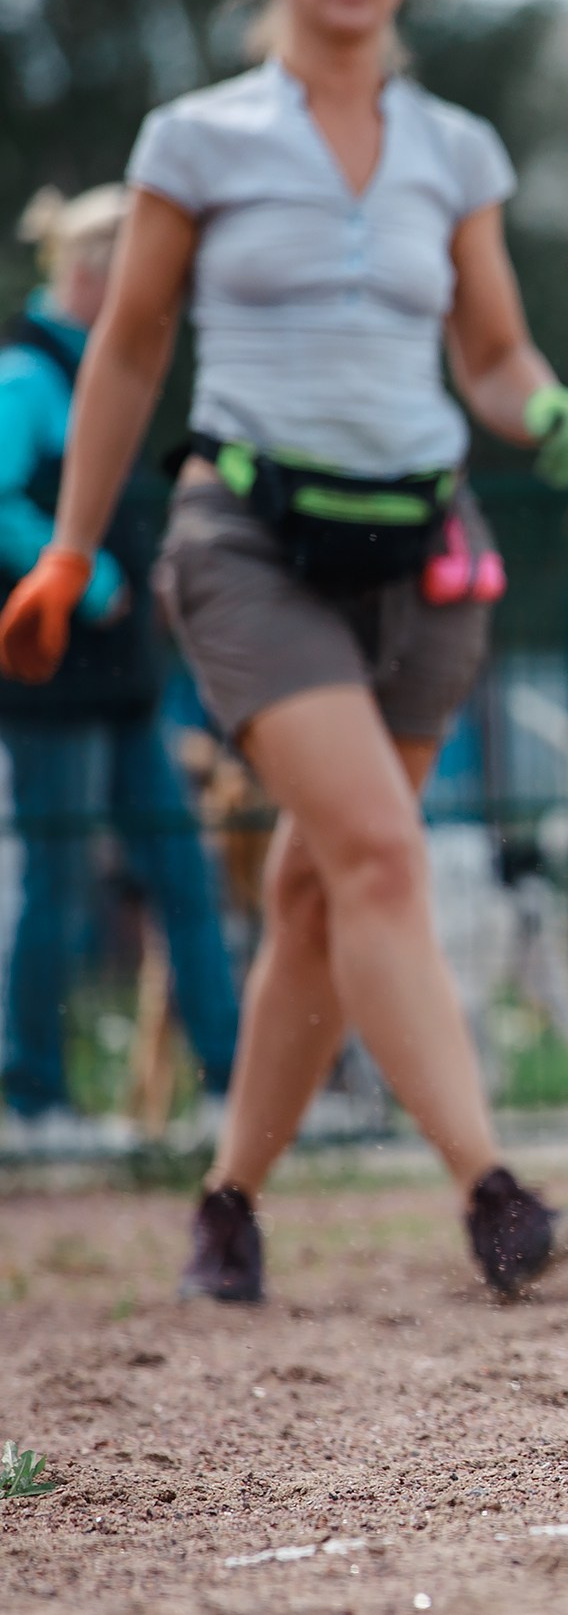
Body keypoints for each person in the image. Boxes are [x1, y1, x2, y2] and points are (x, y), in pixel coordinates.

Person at [0, 0, 568, 1302]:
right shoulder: (196, 139)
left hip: (422, 555)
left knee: (316, 887)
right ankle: (492, 1192)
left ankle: (227, 1208)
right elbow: (131, 345)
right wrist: (70, 547)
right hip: (249, 543)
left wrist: (543, 405)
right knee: (381, 858)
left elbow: (493, 350)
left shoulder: (456, 149)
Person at [0, 186, 241, 1151]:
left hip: (126, 682)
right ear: (91, 272)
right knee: (58, 885)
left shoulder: (105, 367)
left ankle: (233, 1088)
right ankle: (35, 1101)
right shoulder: (27, 377)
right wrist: (87, 574)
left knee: (183, 873)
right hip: (53, 683)